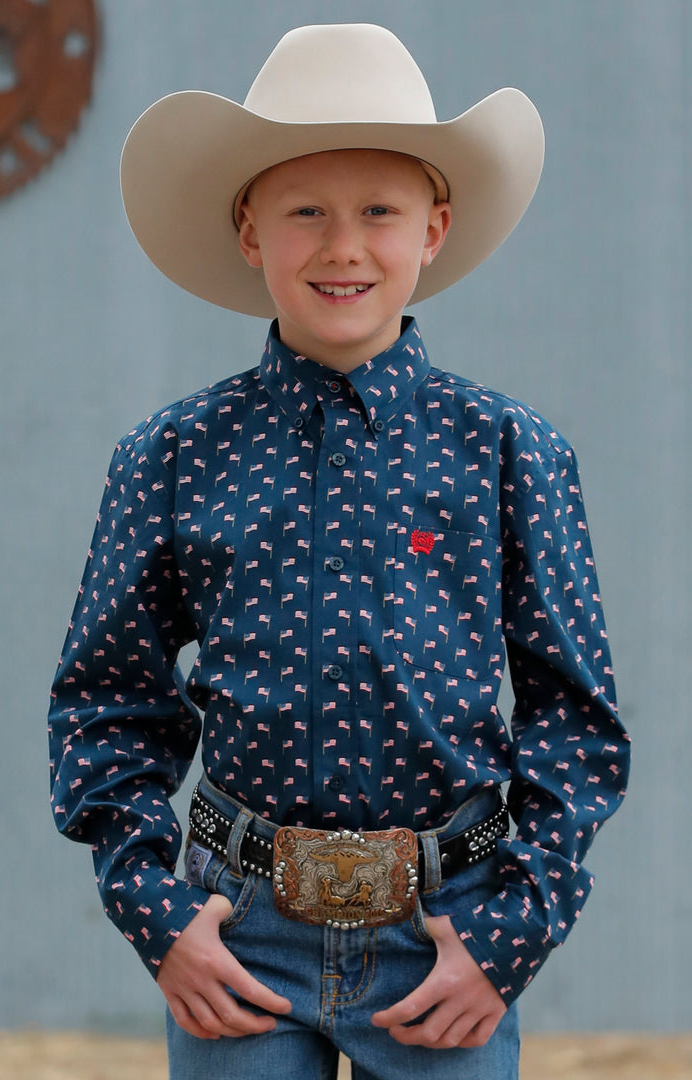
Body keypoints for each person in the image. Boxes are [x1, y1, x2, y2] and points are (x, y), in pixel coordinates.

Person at [48, 23, 630, 1080]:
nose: (343, 246)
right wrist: (159, 914)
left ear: (435, 228)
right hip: (239, 934)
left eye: (379, 212)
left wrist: (513, 931)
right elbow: (105, 704)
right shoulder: (172, 457)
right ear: (249, 230)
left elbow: (574, 718)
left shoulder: (510, 453)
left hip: (446, 932)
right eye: (305, 211)